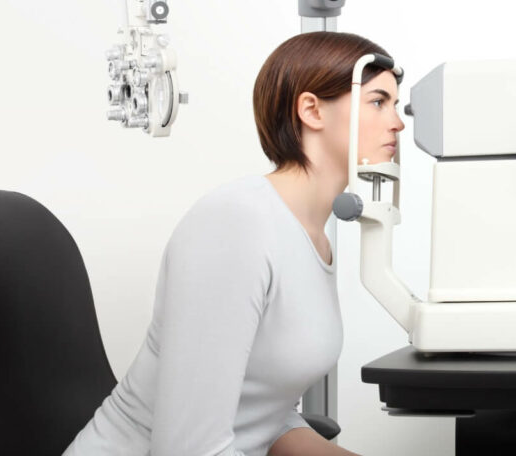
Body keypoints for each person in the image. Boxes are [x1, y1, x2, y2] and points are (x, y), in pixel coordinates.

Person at [64, 31, 405, 456]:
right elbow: (187, 450)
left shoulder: (312, 235)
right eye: (378, 101)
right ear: (312, 110)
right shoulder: (237, 224)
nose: (397, 122)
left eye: (395, 104)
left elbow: (265, 413)